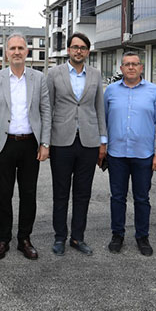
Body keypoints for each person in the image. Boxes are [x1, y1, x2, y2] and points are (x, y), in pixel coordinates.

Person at [0, 32, 51, 260]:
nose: (16, 52)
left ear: (27, 52)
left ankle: (24, 239)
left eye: (20, 48)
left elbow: (46, 111)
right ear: (6, 53)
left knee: (28, 194)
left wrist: (45, 143)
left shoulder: (38, 78)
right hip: (4, 144)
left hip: (30, 144)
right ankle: (3, 239)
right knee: (3, 194)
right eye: (12, 48)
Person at [46, 32, 106, 256]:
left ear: (87, 52)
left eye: (82, 48)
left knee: (83, 194)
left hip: (88, 142)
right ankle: (60, 237)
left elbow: (99, 108)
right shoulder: (54, 73)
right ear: (68, 50)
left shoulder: (96, 74)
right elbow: (48, 108)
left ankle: (77, 237)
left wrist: (102, 141)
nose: (78, 51)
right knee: (60, 192)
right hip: (61, 141)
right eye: (74, 47)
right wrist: (45, 141)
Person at [104, 51, 156, 257]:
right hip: (116, 154)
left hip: (144, 155)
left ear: (141, 67)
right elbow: (103, 121)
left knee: (142, 198)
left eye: (135, 64)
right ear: (121, 68)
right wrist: (102, 146)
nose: (131, 67)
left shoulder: (153, 91)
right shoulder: (111, 91)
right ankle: (117, 235)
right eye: (127, 64)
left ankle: (142, 236)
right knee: (117, 197)